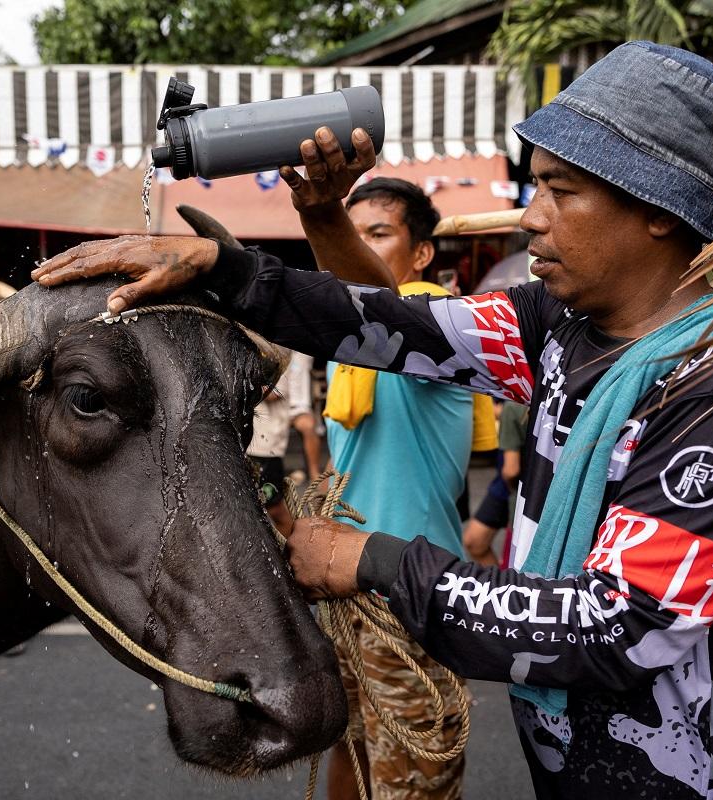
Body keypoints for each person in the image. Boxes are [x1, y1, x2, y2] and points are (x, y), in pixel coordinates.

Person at [34, 42, 713, 800]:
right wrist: (226, 268)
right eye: (537, 188)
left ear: (658, 210)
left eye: (563, 191)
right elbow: (395, 326)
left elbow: (614, 629)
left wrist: (374, 562)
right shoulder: (552, 325)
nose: (531, 218)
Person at [292, 175, 475, 799]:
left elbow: (379, 300)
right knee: (353, 757)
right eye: (350, 232)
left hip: (408, 592)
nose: (359, 247)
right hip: (340, 587)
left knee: (412, 787)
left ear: (421, 253)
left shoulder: (438, 330)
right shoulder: (344, 349)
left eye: (378, 234)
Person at [249, 348, 317, 537]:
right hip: (250, 443)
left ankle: (295, 554)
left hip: (266, 446)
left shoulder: (281, 353)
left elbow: (273, 392)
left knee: (275, 508)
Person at [463, 400, 528, 567]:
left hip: (513, 490)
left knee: (511, 558)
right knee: (474, 541)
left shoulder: (513, 408)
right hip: (512, 488)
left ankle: (500, 583)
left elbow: (510, 470)